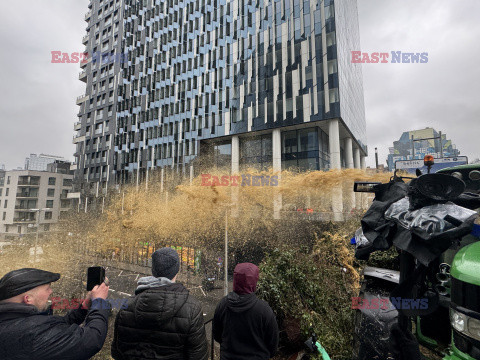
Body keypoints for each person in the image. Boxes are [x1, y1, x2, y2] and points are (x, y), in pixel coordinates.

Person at [112, 247, 208, 360]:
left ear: (153, 270)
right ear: (176, 270)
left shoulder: (127, 306)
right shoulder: (192, 308)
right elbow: (199, 356)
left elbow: (117, 352)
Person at [0, 268, 110, 360]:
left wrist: (84, 306)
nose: (50, 291)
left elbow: (56, 328)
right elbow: (91, 340)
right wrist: (99, 301)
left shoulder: (14, 320)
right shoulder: (32, 334)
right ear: (28, 299)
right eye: (47, 288)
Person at [213, 263, 279, 360]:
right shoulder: (263, 310)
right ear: (254, 281)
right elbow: (273, 345)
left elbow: (217, 335)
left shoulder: (223, 304)